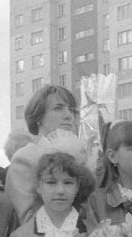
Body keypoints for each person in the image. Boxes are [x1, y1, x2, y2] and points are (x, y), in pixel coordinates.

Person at [5, 85, 79, 223]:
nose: (68, 116)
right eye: (58, 108)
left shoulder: (80, 155)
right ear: (38, 116)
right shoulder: (25, 158)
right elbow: (27, 218)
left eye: (72, 110)